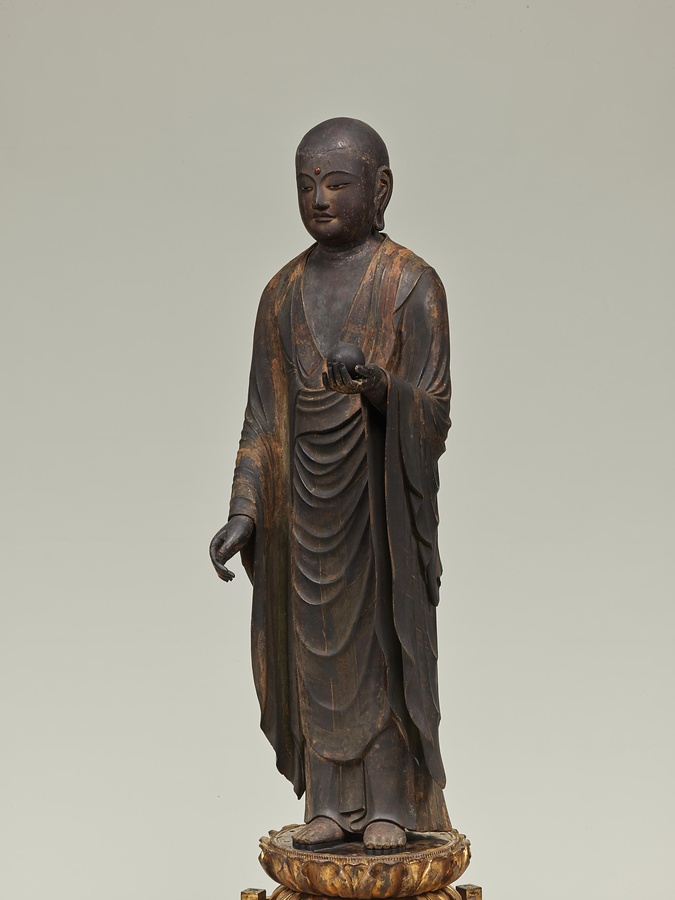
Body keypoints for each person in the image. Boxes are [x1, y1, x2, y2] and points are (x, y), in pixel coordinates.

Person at [210, 117, 452, 854]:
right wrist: (245, 510)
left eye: (337, 183)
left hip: (377, 512)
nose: (319, 199)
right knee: (313, 650)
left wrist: (378, 386)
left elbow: (434, 409)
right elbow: (262, 418)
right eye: (305, 185)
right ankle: (331, 802)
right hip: (300, 517)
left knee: (379, 647)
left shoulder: (410, 284)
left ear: (380, 189)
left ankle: (390, 804)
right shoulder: (281, 294)